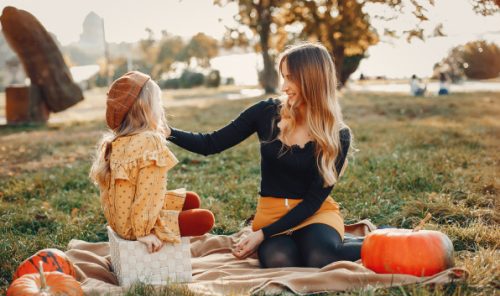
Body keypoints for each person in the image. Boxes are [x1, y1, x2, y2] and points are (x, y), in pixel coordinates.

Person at [165, 43, 363, 268]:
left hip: (315, 214)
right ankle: (318, 243)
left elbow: (313, 201)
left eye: (291, 78)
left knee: (321, 257)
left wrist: (261, 235)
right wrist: (168, 132)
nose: (284, 86)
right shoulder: (265, 113)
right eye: (283, 77)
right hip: (271, 215)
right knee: (280, 261)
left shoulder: (337, 134)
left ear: (312, 80)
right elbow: (211, 143)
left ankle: (381, 242)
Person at [90, 71, 214, 254]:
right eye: (159, 103)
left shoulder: (117, 142)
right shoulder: (150, 141)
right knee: (205, 219)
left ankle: (151, 226)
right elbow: (148, 191)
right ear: (145, 108)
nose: (161, 108)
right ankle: (156, 236)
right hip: (136, 226)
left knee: (191, 199)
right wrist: (143, 232)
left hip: (120, 222)